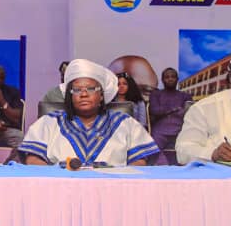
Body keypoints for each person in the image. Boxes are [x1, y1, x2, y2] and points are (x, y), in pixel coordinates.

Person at [19, 59, 159, 167]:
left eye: (91, 89)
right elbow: (32, 158)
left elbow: (140, 161)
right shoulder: (49, 122)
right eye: (77, 90)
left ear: (102, 95)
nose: (84, 94)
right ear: (70, 96)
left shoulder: (125, 123)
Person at [148, 67, 191, 165]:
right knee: (152, 152)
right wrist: (174, 109)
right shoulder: (156, 94)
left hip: (180, 131)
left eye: (173, 77)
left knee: (189, 150)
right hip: (160, 131)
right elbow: (154, 110)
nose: (170, 79)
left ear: (177, 79)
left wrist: (165, 111)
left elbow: (188, 113)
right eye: (167, 77)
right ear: (163, 80)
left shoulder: (185, 96)